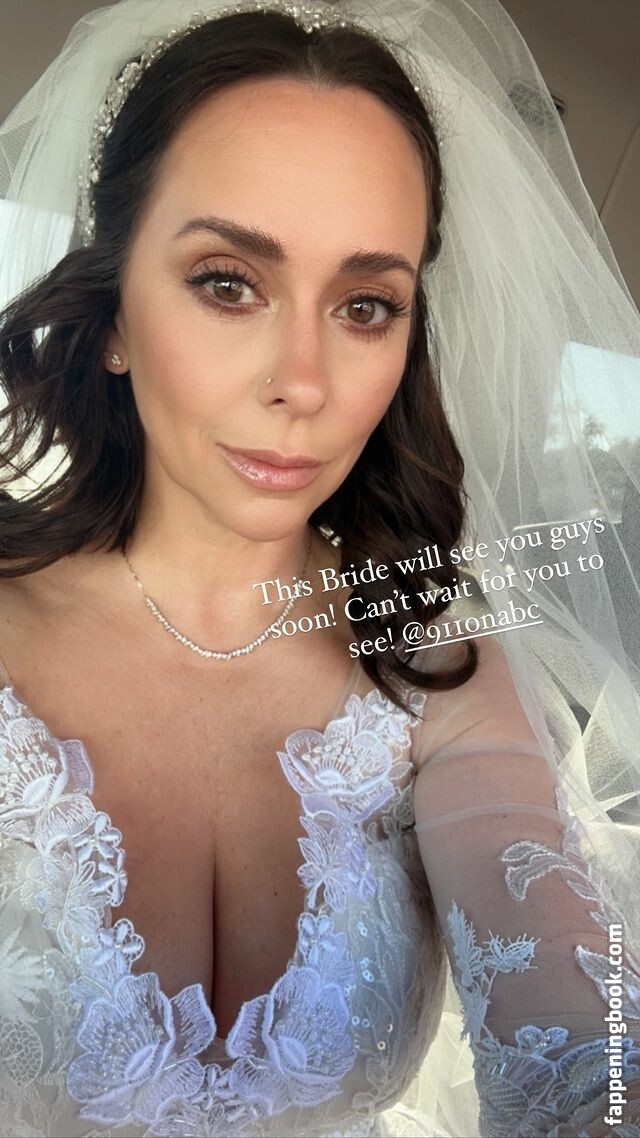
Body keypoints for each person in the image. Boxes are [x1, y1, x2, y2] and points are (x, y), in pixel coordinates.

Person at [0, 1, 639, 1135]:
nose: (303, 379)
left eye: (364, 306)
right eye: (227, 281)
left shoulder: (432, 660)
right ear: (114, 314)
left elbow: (587, 1048)